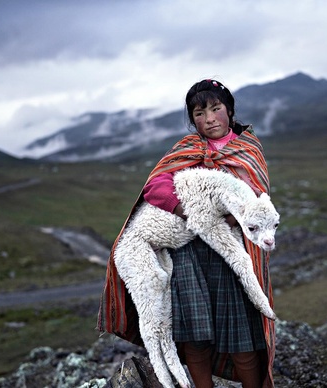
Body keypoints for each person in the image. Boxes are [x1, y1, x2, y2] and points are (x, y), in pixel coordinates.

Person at [98, 79, 275, 387]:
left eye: (216, 109)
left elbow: (256, 195)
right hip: (187, 255)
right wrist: (185, 210)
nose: (208, 119)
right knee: (194, 334)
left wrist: (234, 217)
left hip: (230, 253)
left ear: (229, 110)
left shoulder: (248, 150)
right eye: (199, 113)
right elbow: (155, 186)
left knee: (242, 336)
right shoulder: (185, 149)